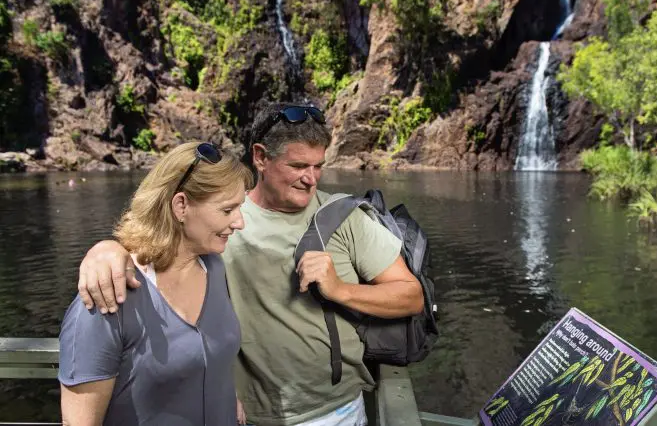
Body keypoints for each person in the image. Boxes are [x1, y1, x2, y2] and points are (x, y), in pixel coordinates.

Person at [75, 104, 424, 425]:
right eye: (298, 166)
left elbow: (412, 296)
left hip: (334, 412)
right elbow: (159, 243)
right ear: (260, 157)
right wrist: (107, 250)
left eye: (318, 166)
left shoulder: (347, 217)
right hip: (240, 414)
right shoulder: (220, 221)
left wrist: (341, 290)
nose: (311, 178)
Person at [60, 142, 253, 426]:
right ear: (181, 205)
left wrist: (226, 396)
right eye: (227, 210)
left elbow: (205, 356)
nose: (240, 222)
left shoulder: (213, 266)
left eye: (240, 207)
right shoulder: (107, 296)